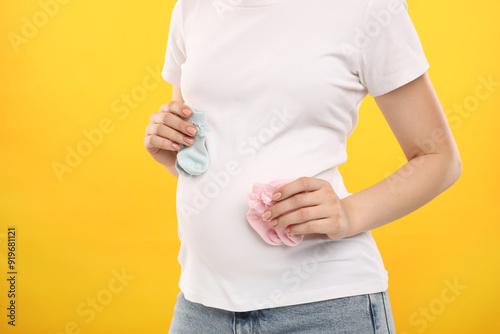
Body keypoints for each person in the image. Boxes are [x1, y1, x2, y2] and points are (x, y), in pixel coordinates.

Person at [144, 0, 462, 332]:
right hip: (202, 310)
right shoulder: (192, 9)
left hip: (325, 308)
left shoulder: (366, 9)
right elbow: (204, 150)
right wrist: (175, 153)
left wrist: (349, 213)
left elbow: (439, 158)